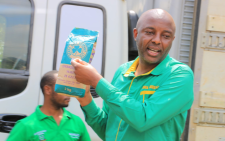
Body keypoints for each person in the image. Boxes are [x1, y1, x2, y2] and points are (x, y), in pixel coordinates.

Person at [71, 9, 194, 141]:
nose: (157, 40)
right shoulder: (123, 71)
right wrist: (85, 99)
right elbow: (108, 130)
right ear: (135, 34)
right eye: (149, 32)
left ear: (172, 40)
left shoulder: (180, 75)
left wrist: (96, 80)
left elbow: (143, 119)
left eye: (166, 36)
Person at [7, 70, 91, 141]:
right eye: (63, 87)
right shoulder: (25, 126)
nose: (68, 92)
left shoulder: (77, 122)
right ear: (48, 89)